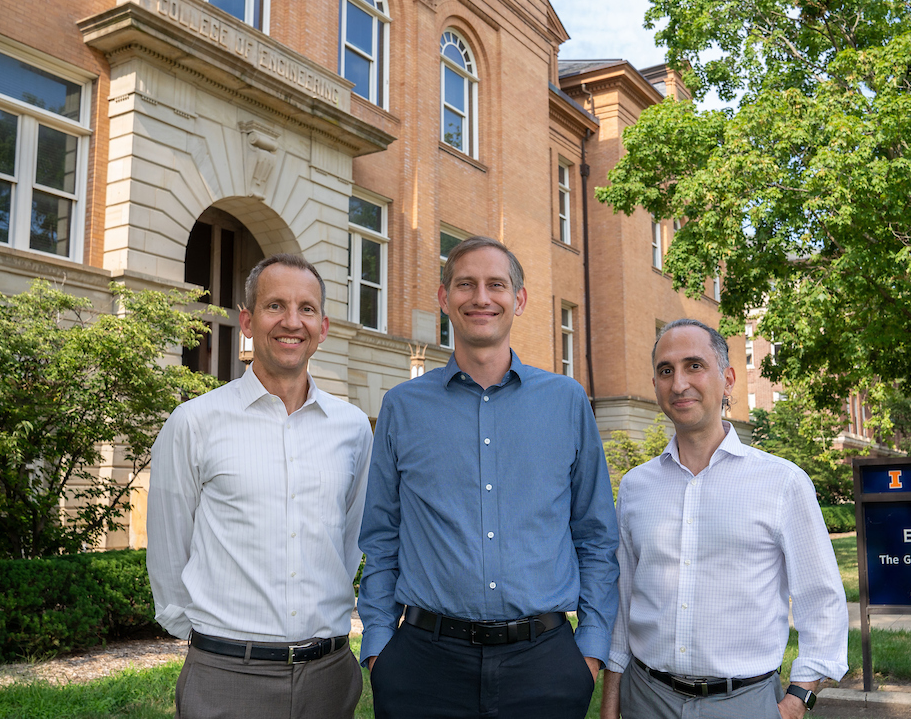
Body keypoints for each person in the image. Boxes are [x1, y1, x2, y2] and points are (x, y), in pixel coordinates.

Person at [358, 236, 619, 719]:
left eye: (496, 284)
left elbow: (596, 535)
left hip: (546, 665)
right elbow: (381, 535)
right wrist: (379, 650)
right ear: (444, 298)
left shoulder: (566, 402)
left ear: (518, 299)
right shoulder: (402, 406)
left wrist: (589, 653)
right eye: (465, 284)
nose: (481, 297)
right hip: (422, 667)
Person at [147, 253, 372, 719]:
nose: (292, 322)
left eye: (306, 309)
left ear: (323, 327)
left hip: (328, 677)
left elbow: (349, 540)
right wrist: (208, 639)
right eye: (276, 306)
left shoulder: (352, 428)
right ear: (248, 320)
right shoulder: (195, 422)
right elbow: (169, 546)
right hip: (226, 677)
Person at [600, 319, 848, 719]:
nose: (679, 383)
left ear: (728, 379)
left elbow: (822, 601)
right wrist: (611, 706)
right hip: (646, 699)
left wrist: (797, 700)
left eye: (694, 366)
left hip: (745, 704)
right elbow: (622, 605)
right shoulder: (634, 487)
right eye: (666, 370)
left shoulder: (782, 483)